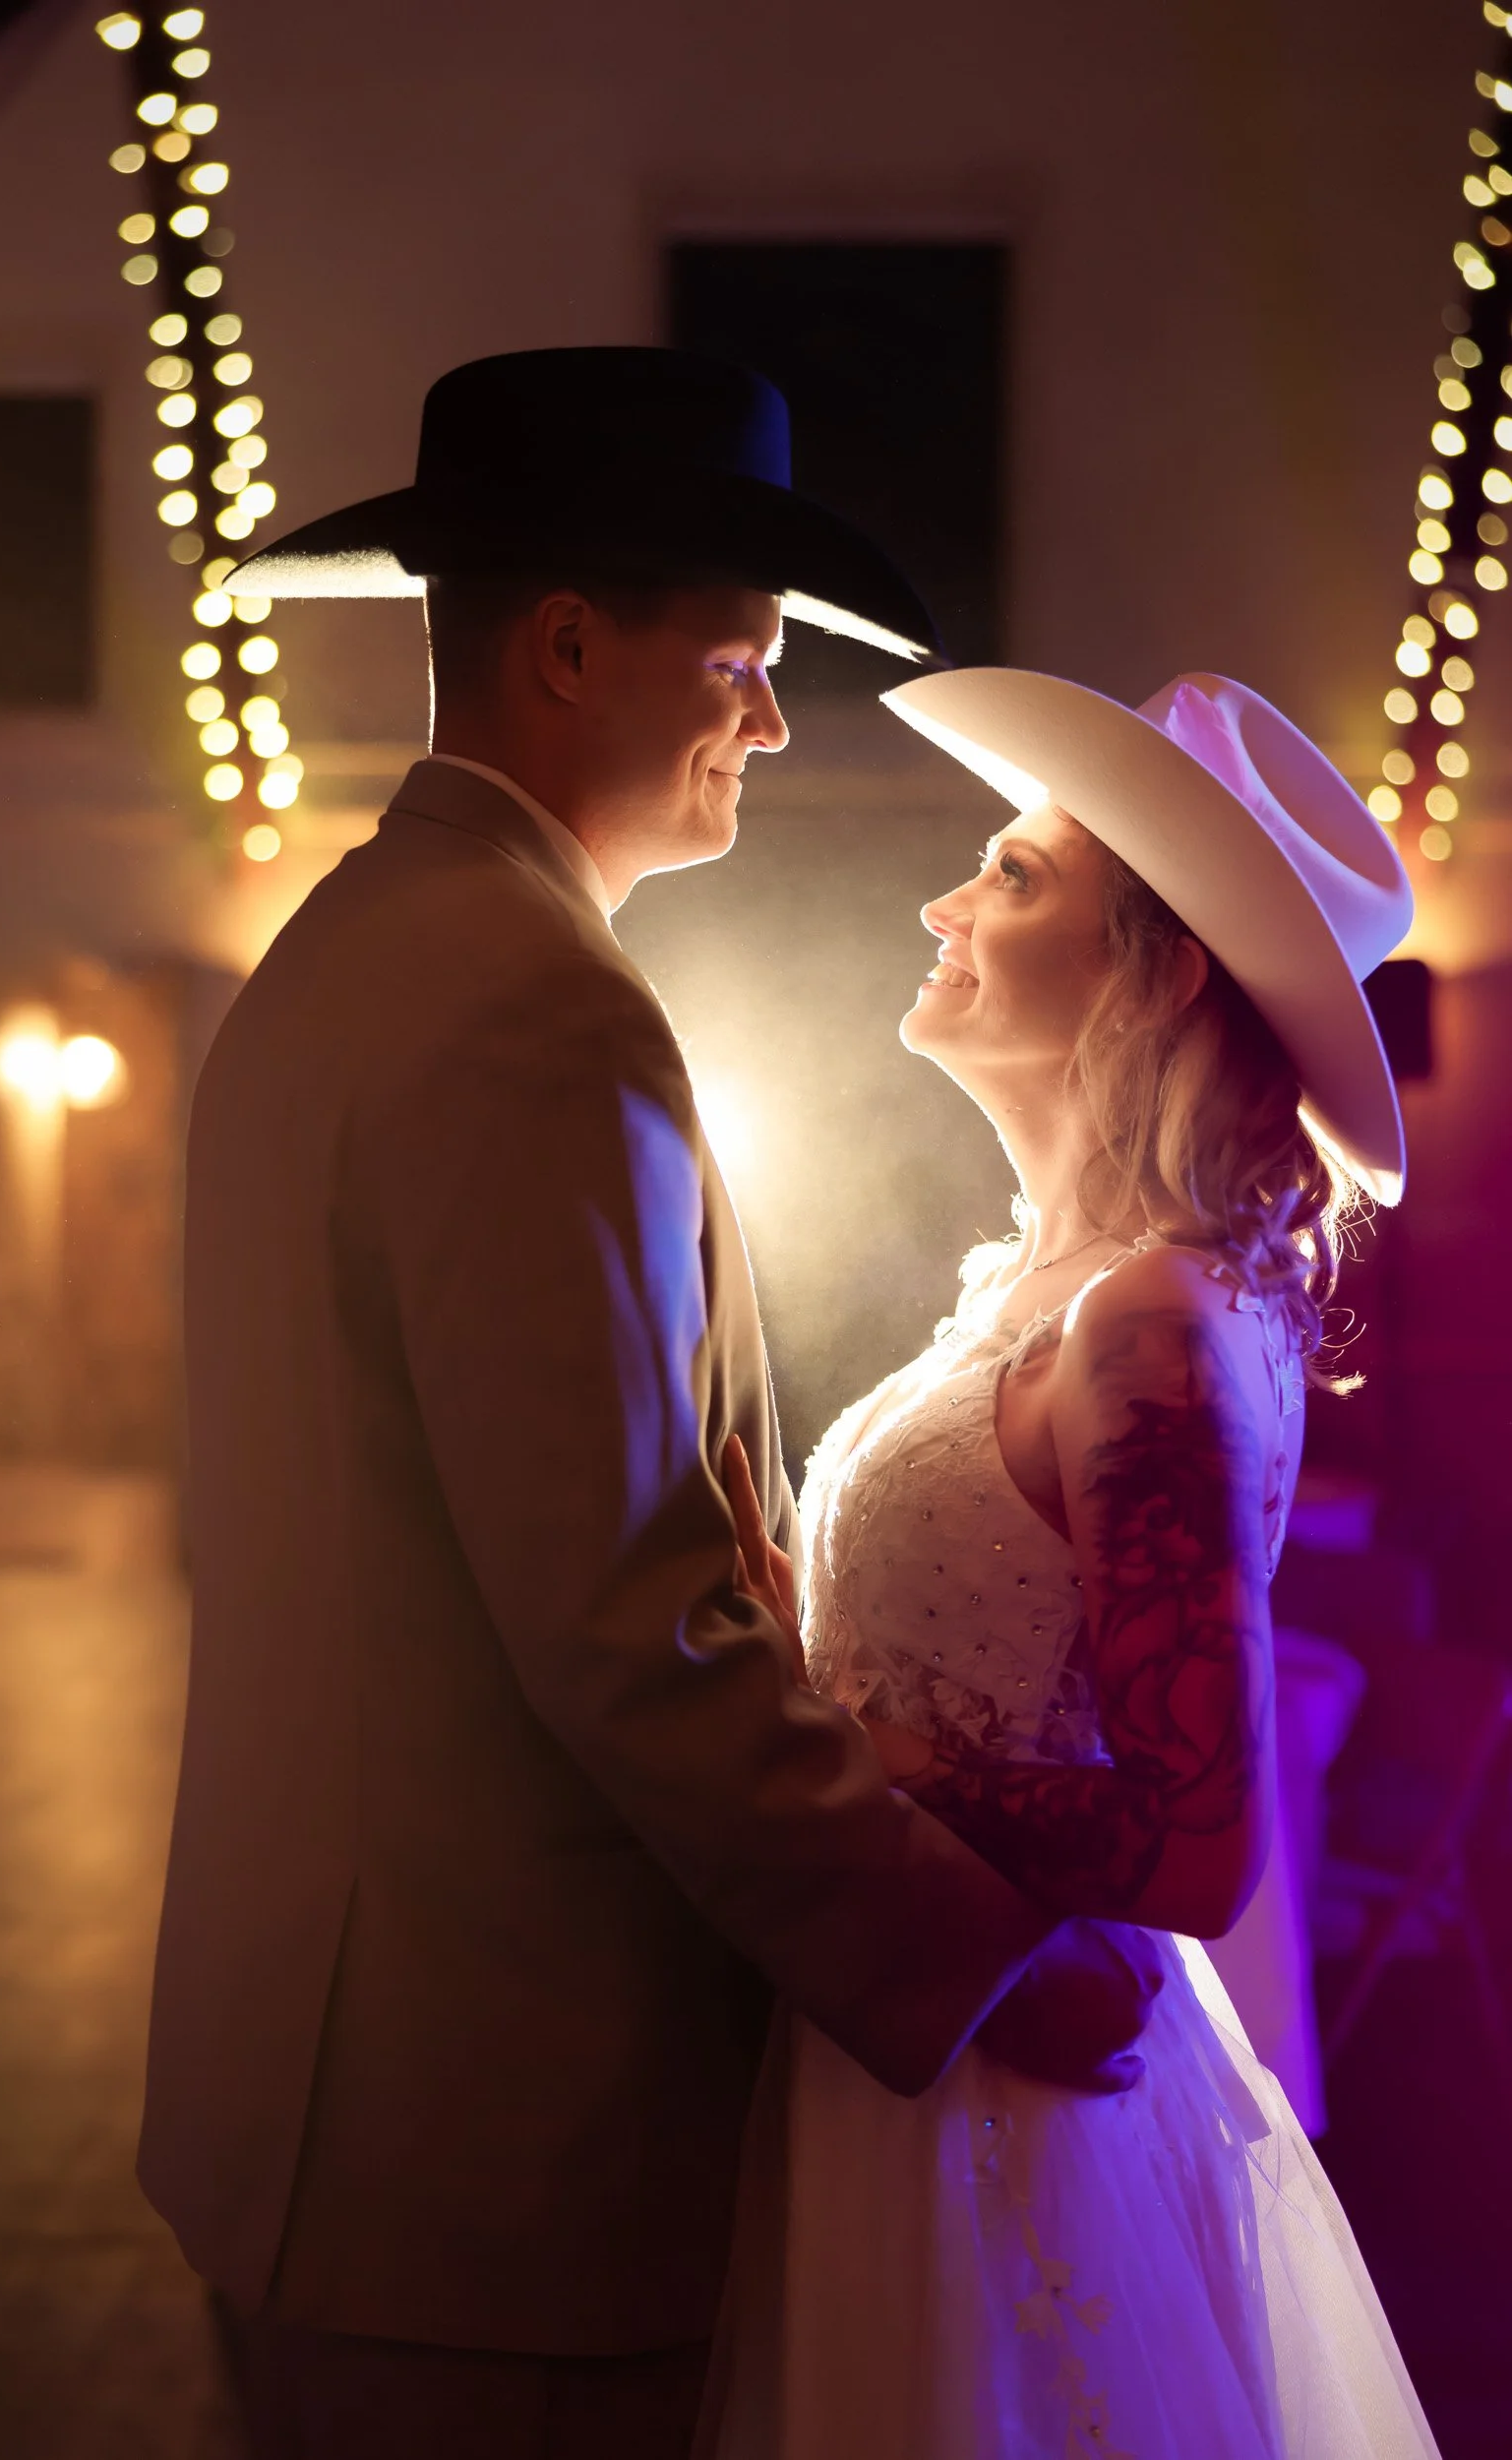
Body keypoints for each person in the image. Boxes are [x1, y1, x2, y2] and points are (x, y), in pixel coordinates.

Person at [137, 349, 1161, 2460]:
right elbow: (632, 1620)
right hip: (493, 2130)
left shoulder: (367, 944)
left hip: (364, 2090)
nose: (773, 720)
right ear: (571, 646)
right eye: (748, 657)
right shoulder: (532, 1012)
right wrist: (972, 1960)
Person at [706, 666, 1441, 2457]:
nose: (943, 905)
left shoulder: (1155, 1324)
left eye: (1012, 876)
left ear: (1158, 967)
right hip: (924, 2040)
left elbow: (1197, 1850)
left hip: (1008, 2115)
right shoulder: (1049, 1288)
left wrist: (865, 1757)